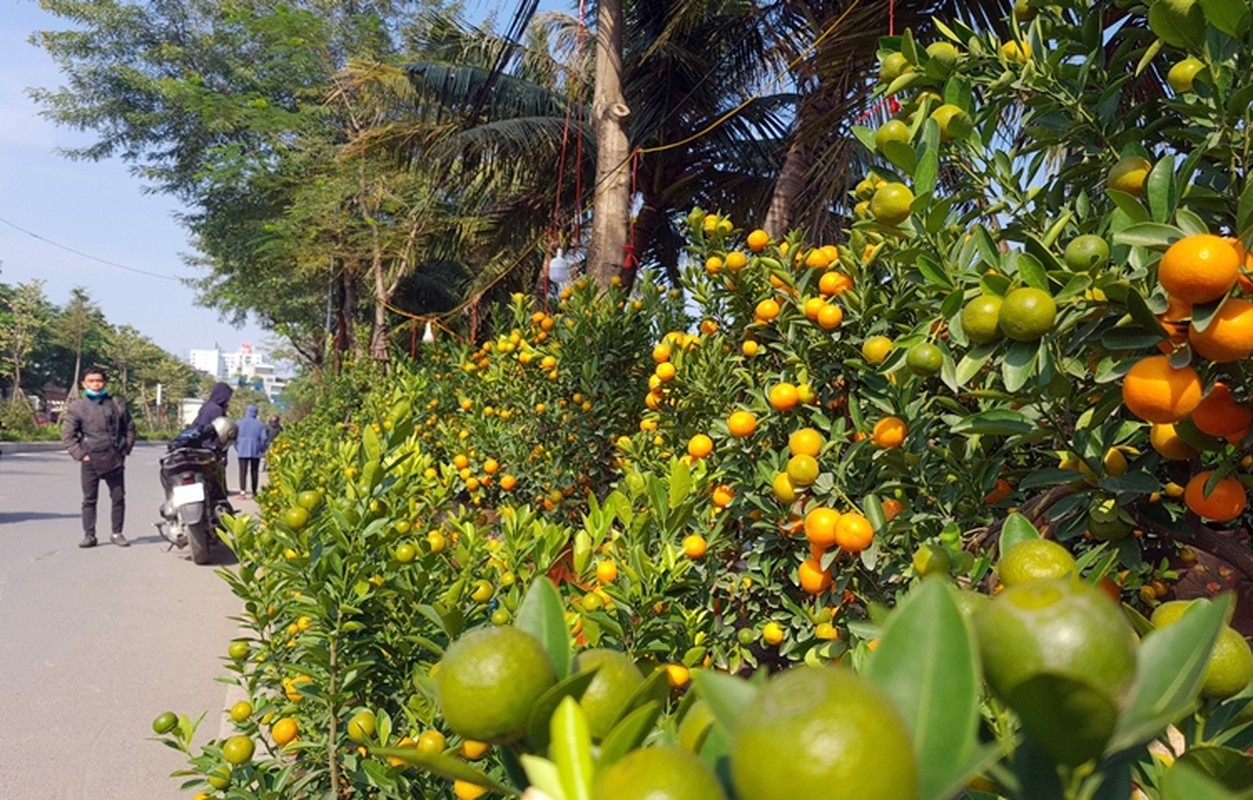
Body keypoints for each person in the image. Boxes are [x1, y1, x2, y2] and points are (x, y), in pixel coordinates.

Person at [60, 366, 136, 548]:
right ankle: (89, 535)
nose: (95, 384)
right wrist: (81, 455)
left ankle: (117, 533)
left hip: (115, 457)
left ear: (105, 382)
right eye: (91, 381)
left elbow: (130, 428)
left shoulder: (117, 403)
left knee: (118, 497)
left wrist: (125, 449)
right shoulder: (77, 407)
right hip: (90, 459)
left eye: (99, 381)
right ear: (84, 384)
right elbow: (68, 435)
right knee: (89, 499)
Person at [233, 404, 268, 498]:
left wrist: (237, 447)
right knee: (254, 471)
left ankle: (242, 492)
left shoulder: (239, 423)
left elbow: (233, 437)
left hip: (242, 449)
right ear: (256, 413)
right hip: (255, 450)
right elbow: (264, 438)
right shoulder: (260, 424)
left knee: (242, 472)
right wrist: (262, 448)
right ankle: (254, 492)